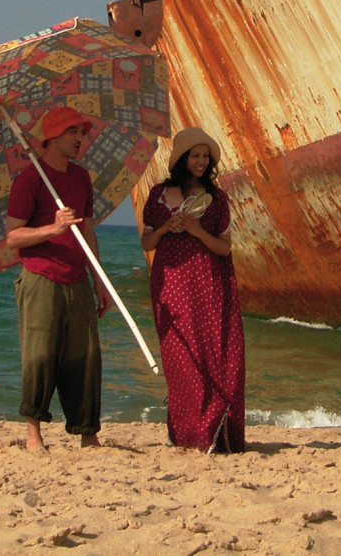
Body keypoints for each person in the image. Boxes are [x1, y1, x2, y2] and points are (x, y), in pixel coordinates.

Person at [6, 106, 111, 452]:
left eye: (82, 132)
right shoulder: (30, 179)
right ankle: (33, 432)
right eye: (73, 132)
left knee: (86, 356)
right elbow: (12, 238)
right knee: (40, 356)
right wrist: (54, 228)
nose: (81, 139)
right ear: (52, 137)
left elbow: (89, 230)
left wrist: (98, 279)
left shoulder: (81, 178)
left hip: (77, 278)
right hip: (40, 278)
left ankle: (87, 433)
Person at [140, 126, 245, 453]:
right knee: (180, 356)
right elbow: (146, 241)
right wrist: (165, 229)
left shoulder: (217, 198)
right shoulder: (158, 195)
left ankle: (215, 432)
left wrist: (197, 230)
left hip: (208, 282)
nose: (201, 162)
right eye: (195, 156)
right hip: (171, 283)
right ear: (182, 159)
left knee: (214, 352)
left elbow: (224, 248)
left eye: (205, 157)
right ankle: (188, 434)